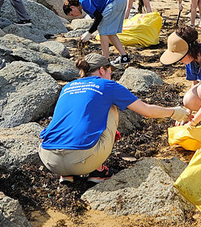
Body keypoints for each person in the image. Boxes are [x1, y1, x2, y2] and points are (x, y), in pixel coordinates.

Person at [39, 53, 190, 184]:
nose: (111, 76)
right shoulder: (107, 85)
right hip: (81, 159)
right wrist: (175, 112)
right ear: (102, 70)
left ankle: (66, 175)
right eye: (110, 71)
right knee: (111, 108)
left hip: (50, 159)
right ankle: (97, 171)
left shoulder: (68, 86)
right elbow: (147, 111)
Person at [63, 0, 131, 66]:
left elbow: (99, 18)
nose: (74, 16)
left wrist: (88, 33)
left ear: (72, 7)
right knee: (110, 32)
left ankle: (105, 60)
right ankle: (124, 57)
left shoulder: (83, 2)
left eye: (72, 14)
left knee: (103, 30)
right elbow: (98, 19)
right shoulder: (84, 1)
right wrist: (89, 33)